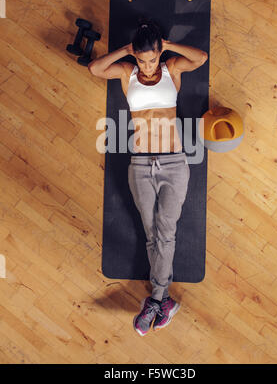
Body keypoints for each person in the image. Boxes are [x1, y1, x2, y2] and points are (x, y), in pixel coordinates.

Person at [88, 18, 208, 336]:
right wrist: (124, 51)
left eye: (151, 58)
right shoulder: (128, 74)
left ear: (159, 52)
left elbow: (200, 58)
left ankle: (157, 299)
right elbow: (96, 69)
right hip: (140, 164)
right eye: (142, 59)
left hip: (173, 164)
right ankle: (163, 302)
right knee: (152, 233)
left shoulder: (171, 70)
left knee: (165, 234)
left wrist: (167, 47)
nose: (148, 65)